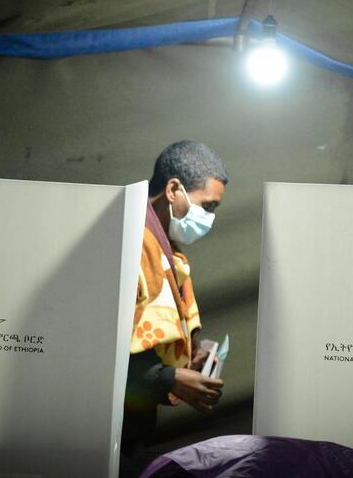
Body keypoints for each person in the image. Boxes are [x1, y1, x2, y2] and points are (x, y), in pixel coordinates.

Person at [120, 140, 228, 477]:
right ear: (173, 189)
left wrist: (184, 361)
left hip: (133, 427)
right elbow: (97, 346)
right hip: (99, 431)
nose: (209, 219)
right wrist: (169, 377)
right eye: (207, 206)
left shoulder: (166, 250)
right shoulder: (128, 241)